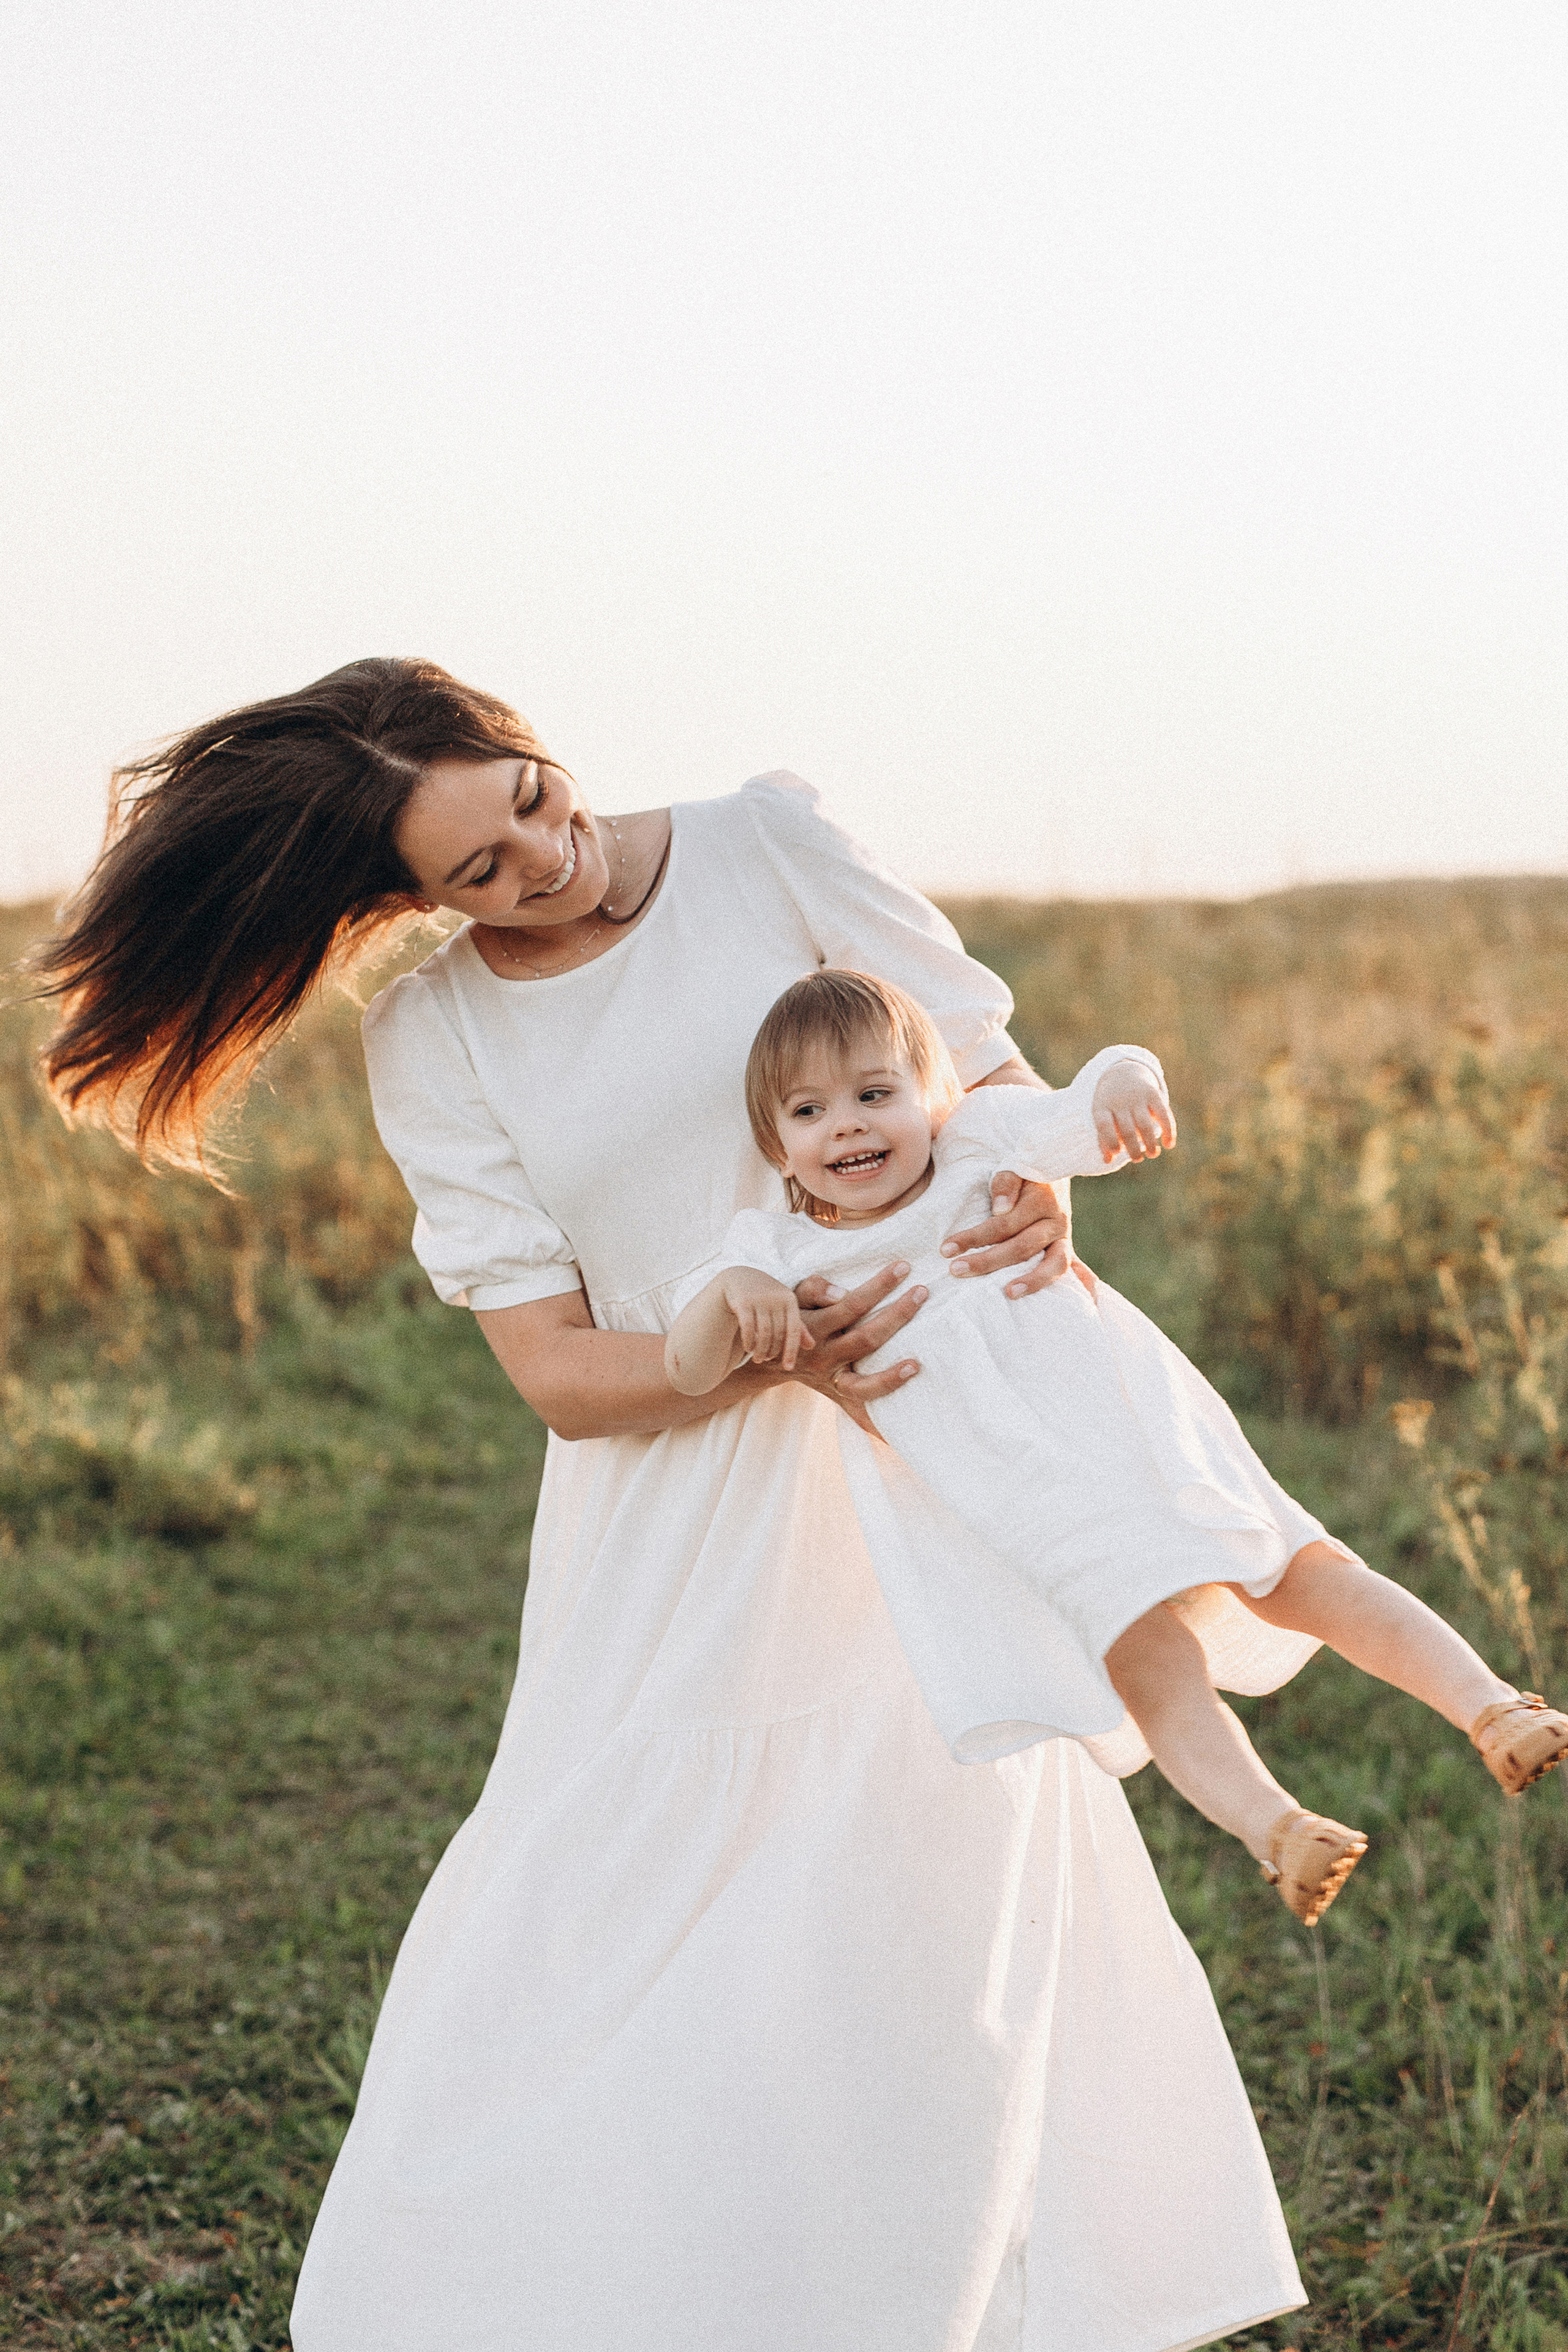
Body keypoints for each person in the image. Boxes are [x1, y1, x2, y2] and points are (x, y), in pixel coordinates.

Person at [34, 655, 1313, 2351]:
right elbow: (558, 1373)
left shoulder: (771, 849)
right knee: (594, 1944)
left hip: (930, 1481)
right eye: (469, 876)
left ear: (528, 743)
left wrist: (1026, 1201)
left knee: (921, 1962)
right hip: (674, 1536)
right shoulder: (439, 1034)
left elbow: (980, 1084)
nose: (537, 869)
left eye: (532, 808)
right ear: (402, 902)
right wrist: (765, 1359)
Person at [666, 971, 1568, 1930]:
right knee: (1149, 1660)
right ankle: (1278, 1830)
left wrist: (1129, 1080)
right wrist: (734, 1294)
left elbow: (1079, 1103)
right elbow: (687, 1369)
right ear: (779, 1147)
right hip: (1030, 1502)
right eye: (811, 1111)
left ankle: (1492, 1708)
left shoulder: (978, 1147)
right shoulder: (775, 1248)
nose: (847, 1125)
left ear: (933, 1100)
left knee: (1297, 1571)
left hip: (1138, 1430)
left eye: (874, 1095)